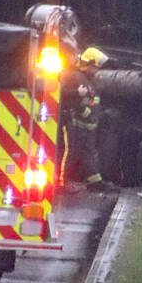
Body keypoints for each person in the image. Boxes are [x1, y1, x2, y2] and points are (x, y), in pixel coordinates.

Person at [61, 47, 110, 190]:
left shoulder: (88, 80)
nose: (97, 71)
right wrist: (84, 111)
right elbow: (63, 95)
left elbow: (91, 99)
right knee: (71, 152)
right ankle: (62, 182)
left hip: (88, 125)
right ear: (88, 64)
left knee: (89, 152)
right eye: (95, 67)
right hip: (75, 124)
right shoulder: (73, 76)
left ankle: (94, 181)